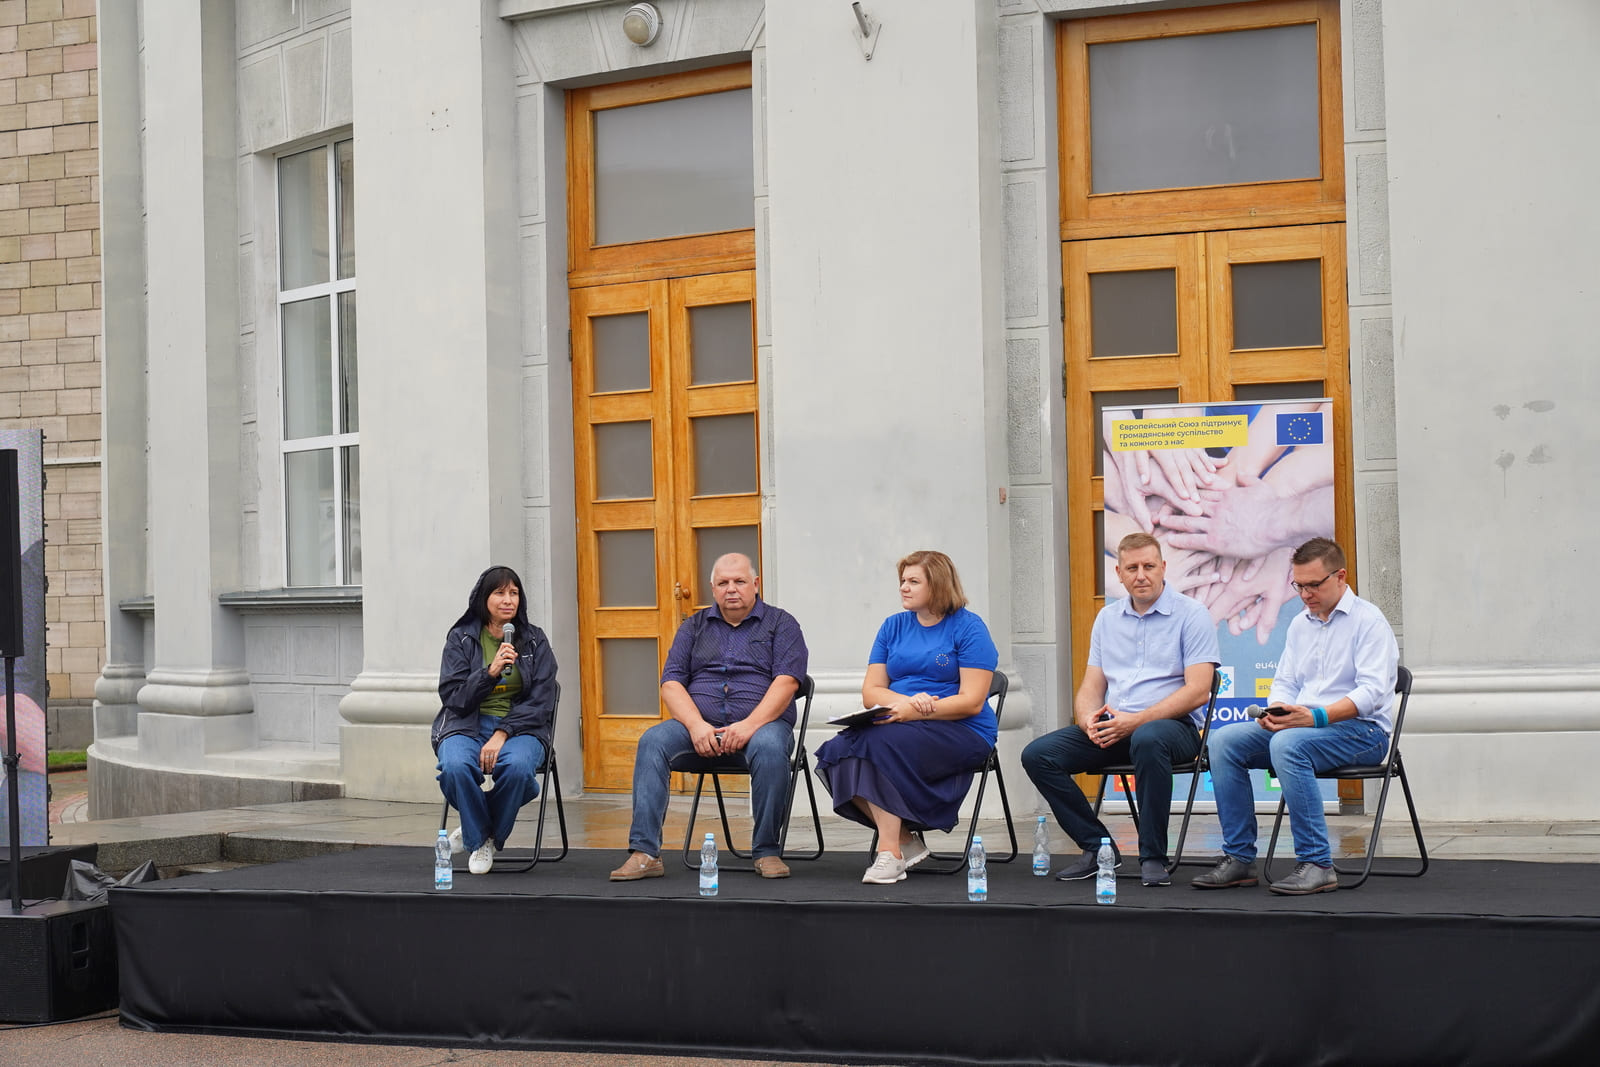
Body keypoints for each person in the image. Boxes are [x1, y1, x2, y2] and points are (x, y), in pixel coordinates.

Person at [1192, 537, 1397, 895]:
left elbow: (1373, 693)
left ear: (1340, 576)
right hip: (1305, 727)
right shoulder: (1301, 623)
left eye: (1313, 585)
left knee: (1288, 745)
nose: (1304, 594)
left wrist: (1315, 718)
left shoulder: (1369, 621)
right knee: (1223, 742)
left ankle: (1318, 863)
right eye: (1298, 585)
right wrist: (1277, 711)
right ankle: (1239, 858)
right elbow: (1285, 682)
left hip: (1363, 733)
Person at [1022, 532, 1219, 887]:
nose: (1141, 575)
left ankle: (1153, 856)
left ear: (1163, 568)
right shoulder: (1107, 619)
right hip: (1117, 726)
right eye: (1132, 568)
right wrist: (1088, 719)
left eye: (1149, 566)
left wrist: (1136, 721)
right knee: (1039, 755)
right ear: (1119, 573)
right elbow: (1091, 686)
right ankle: (1098, 849)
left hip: (1174, 729)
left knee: (1148, 738)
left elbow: (1198, 691)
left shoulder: (1192, 615)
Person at [610, 553, 808, 882]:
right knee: (653, 741)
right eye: (723, 583)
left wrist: (748, 726)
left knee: (770, 747)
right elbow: (671, 682)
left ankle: (766, 850)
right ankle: (645, 853)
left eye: (739, 581)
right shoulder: (693, 627)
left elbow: (787, 682)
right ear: (712, 588)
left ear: (756, 584)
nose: (731, 589)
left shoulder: (781, 624)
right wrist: (696, 725)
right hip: (699, 729)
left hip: (762, 727)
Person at [814, 550, 997, 885]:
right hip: (900, 721)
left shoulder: (969, 628)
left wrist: (920, 710)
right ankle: (903, 841)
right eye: (902, 581)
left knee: (875, 744)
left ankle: (890, 853)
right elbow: (872, 691)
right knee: (837, 751)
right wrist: (908, 703)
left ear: (937, 585)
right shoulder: (893, 626)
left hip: (961, 728)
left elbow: (972, 702)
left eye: (913, 581)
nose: (903, 587)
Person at [431, 565, 558, 874]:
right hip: (467, 724)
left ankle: (476, 833)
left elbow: (542, 701)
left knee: (517, 770)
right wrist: (489, 673)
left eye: (514, 593)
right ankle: (482, 835)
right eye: (500, 593)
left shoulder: (534, 640)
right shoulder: (461, 638)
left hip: (522, 728)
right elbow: (454, 697)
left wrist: (503, 732)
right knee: (455, 767)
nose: (508, 600)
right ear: (483, 598)